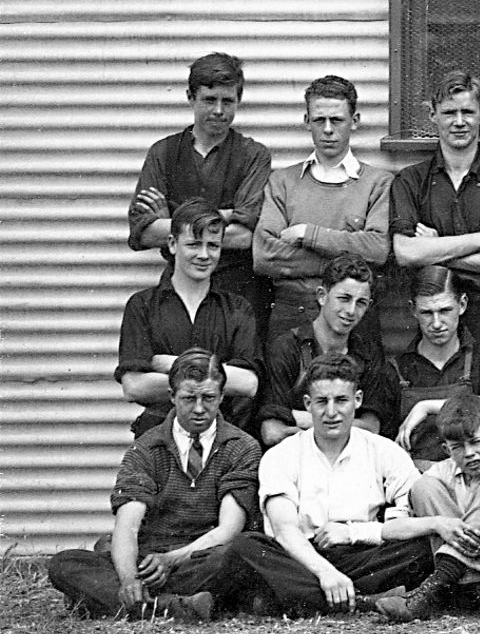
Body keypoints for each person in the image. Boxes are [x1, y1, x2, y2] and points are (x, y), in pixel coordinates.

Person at [47, 348, 259, 621]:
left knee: (239, 553)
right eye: (188, 398)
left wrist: (172, 560)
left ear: (221, 396)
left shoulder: (242, 447)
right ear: (171, 396)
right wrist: (129, 579)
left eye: (208, 398)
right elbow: (128, 524)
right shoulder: (146, 448)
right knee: (64, 563)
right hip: (151, 558)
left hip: (202, 556)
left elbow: (229, 528)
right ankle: (170, 605)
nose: (198, 409)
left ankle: (114, 601)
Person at [224, 355, 441, 613]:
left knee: (421, 547)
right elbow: (284, 529)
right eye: (321, 402)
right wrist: (326, 572)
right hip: (301, 556)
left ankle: (303, 598)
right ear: (308, 404)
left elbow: (409, 515)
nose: (331, 412)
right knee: (246, 546)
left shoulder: (384, 450)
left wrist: (353, 532)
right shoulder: (281, 454)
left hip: (362, 554)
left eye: (341, 400)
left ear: (357, 400)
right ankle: (364, 600)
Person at [391, 69, 480, 375]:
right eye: (449, 113)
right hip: (436, 318)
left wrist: (435, 249)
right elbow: (406, 253)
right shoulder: (410, 181)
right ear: (433, 116)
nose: (459, 121)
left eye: (468, 112)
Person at [129, 53, 270, 330]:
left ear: (238, 100)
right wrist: (225, 216)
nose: (218, 110)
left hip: (238, 294)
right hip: (177, 291)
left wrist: (173, 222)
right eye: (209, 100)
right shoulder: (163, 153)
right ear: (190, 97)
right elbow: (143, 233)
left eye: (227, 101)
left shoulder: (253, 155)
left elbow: (244, 237)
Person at [253, 75, 391, 341]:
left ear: (355, 121)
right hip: (293, 312)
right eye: (319, 120)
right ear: (307, 121)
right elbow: (264, 256)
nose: (328, 129)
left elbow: (377, 249)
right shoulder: (282, 181)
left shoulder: (378, 183)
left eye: (337, 120)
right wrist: (346, 263)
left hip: (354, 316)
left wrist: (308, 234)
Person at [116, 198, 262, 436]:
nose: (204, 255)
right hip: (158, 435)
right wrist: (218, 376)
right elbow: (134, 387)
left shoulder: (237, 308)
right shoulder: (142, 305)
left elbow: (248, 383)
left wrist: (172, 365)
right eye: (194, 244)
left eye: (213, 245)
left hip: (221, 437)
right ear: (173, 244)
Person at [376, 394, 480, 622]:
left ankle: (438, 589)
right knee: (422, 487)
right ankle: (473, 593)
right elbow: (395, 524)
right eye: (458, 447)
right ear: (446, 450)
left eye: (476, 442)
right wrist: (437, 523)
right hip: (455, 573)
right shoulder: (440, 473)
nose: (469, 453)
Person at [258, 254, 399, 448]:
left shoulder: (367, 352)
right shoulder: (286, 347)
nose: (351, 311)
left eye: (361, 303)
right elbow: (272, 432)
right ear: (322, 296)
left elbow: (372, 428)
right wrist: (341, 425)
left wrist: (301, 418)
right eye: (344, 299)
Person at [391, 267, 480, 467]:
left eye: (445, 311)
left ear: (462, 304)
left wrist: (427, 406)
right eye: (426, 313)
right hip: (417, 475)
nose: (437, 323)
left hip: (476, 471)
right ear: (413, 310)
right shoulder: (397, 369)